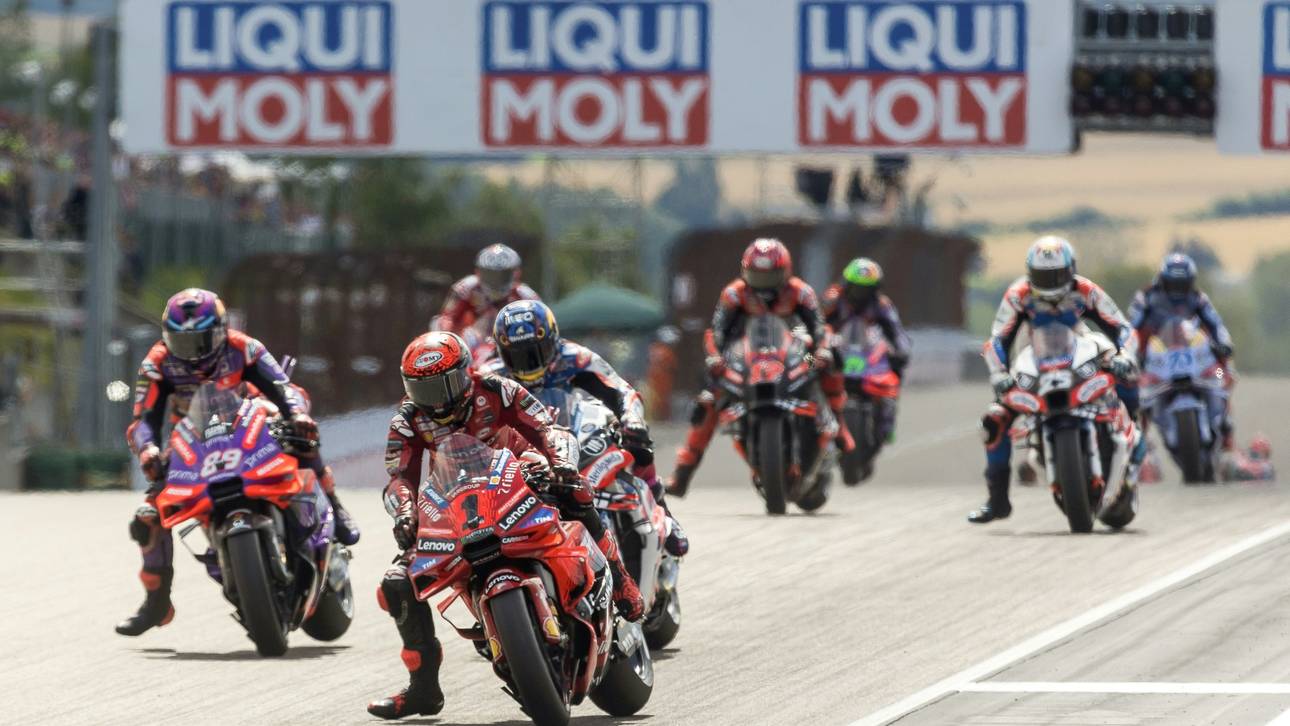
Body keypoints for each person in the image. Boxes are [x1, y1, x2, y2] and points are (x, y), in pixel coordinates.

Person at [368, 331, 644, 720]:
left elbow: (546, 428)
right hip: (456, 497)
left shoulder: (496, 389)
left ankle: (622, 583)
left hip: (519, 470)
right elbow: (399, 479)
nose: (437, 400)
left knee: (576, 492)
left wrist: (561, 464)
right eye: (423, 389)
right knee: (397, 582)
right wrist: (405, 513)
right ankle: (423, 688)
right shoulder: (407, 420)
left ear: (465, 373)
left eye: (444, 385)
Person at [116, 289, 359, 637]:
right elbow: (143, 419)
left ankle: (333, 503)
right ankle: (157, 601)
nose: (193, 352)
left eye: (201, 340)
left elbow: (282, 386)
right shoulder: (156, 363)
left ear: (220, 330)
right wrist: (148, 450)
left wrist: (295, 414)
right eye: (182, 342)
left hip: (253, 423)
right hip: (194, 441)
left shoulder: (244, 347)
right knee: (148, 516)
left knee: (302, 434)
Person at [485, 300, 689, 557]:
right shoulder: (490, 374)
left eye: (537, 351)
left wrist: (632, 419)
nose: (528, 364)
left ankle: (661, 507)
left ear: (553, 339)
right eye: (517, 356)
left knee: (636, 438)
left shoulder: (574, 357)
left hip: (574, 428)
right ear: (501, 351)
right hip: (525, 447)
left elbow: (621, 390)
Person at [968, 237, 1141, 524]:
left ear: (1070, 271)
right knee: (993, 421)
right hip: (1034, 362)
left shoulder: (1086, 291)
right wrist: (999, 374)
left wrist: (1125, 355)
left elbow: (1122, 327)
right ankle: (997, 500)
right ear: (1030, 273)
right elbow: (998, 340)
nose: (1050, 283)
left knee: (1125, 374)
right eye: (1042, 276)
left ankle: (1134, 424)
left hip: (1080, 355)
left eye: (1057, 275)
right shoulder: (1017, 295)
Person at [667, 238, 853, 498]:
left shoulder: (801, 292)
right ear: (745, 272)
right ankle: (682, 473)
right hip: (744, 361)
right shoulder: (734, 294)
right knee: (708, 398)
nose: (763, 284)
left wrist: (821, 350)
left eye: (770, 277)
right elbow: (717, 332)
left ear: (785, 272)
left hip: (799, 357)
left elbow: (819, 328)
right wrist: (715, 357)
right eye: (757, 276)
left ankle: (839, 424)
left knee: (828, 364)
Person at [1128, 252, 1236, 450]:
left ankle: (1226, 426)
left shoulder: (1198, 298)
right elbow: (1131, 328)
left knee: (1224, 373)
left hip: (1198, 356)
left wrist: (1224, 344)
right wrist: (1130, 352)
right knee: (1136, 392)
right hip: (1155, 358)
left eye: (1182, 284)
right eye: (1173, 284)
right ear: (1163, 280)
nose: (1178, 290)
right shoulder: (1146, 297)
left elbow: (1216, 324)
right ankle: (1138, 441)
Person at [821, 257, 913, 442]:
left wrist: (901, 351)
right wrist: (814, 345)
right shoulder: (832, 299)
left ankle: (887, 419)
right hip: (834, 351)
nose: (860, 295)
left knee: (896, 368)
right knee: (809, 367)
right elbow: (812, 324)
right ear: (847, 285)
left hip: (867, 354)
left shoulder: (882, 305)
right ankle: (812, 420)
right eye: (856, 289)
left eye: (866, 290)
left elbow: (897, 331)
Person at [430, 243, 540, 334]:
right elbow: (447, 317)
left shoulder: (527, 296)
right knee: (436, 324)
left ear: (516, 273)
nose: (497, 281)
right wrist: (447, 335)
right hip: (471, 344)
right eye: (491, 275)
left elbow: (542, 323)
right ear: (478, 272)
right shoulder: (466, 288)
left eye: (503, 275)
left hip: (511, 344)